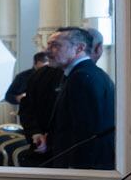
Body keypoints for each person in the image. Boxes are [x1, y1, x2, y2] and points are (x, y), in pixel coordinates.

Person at [41, 26, 116, 168]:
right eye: (48, 45)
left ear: (79, 48)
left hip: (83, 167)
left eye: (55, 45)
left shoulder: (81, 77)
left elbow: (87, 133)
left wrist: (75, 169)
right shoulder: (87, 73)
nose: (47, 51)